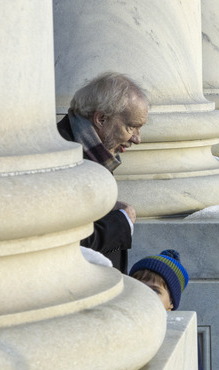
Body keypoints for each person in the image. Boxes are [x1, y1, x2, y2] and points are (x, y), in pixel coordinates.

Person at [57, 72, 148, 272]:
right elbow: (67, 243)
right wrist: (121, 222)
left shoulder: (93, 151)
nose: (137, 139)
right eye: (131, 127)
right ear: (101, 118)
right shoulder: (62, 159)